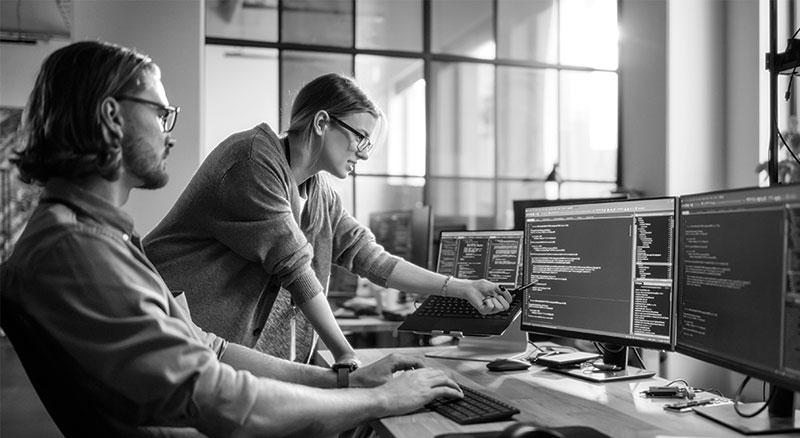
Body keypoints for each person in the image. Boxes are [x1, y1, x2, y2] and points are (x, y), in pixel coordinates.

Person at [1, 40, 463, 437]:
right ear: (111, 116)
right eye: (162, 114)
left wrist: (347, 383)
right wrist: (375, 399)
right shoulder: (75, 250)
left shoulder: (103, 239)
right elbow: (219, 396)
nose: (170, 135)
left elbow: (210, 347)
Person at [143, 73, 514, 366]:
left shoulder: (318, 192)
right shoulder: (254, 161)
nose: (364, 155)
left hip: (222, 355)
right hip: (167, 336)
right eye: (361, 139)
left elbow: (370, 257)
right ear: (322, 122)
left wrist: (461, 286)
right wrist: (345, 354)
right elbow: (296, 269)